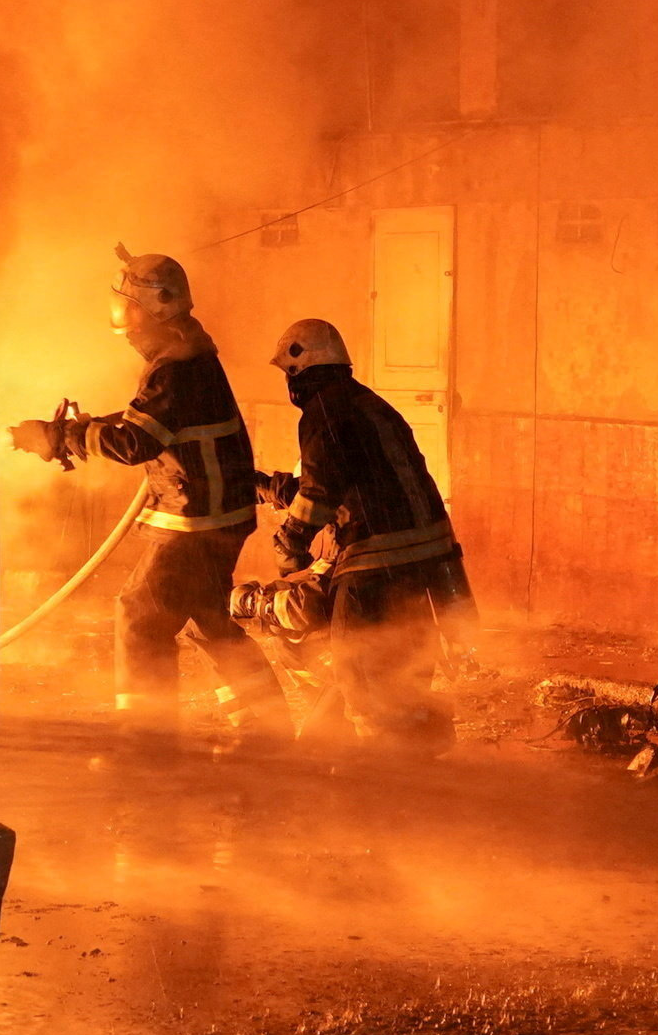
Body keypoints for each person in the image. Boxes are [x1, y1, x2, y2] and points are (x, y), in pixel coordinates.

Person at [262, 316, 469, 744]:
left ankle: (380, 774)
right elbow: (356, 481)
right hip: (427, 568)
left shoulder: (323, 411)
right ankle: (425, 757)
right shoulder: (372, 406)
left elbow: (319, 492)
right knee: (405, 676)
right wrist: (269, 487)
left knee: (360, 675)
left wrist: (290, 541)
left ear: (299, 369)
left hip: (375, 569)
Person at [94, 250, 276, 732]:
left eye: (129, 310)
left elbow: (136, 441)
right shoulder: (187, 354)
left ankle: (147, 736)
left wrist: (69, 438)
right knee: (208, 617)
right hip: (215, 516)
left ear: (152, 308)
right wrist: (86, 427)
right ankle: (265, 721)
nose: (125, 327)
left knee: (140, 614)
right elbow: (150, 419)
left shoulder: (176, 365)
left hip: (195, 520)